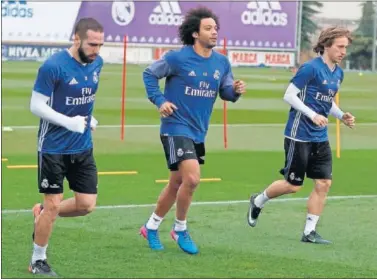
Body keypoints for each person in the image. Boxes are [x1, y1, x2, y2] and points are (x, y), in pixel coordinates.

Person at [140, 6, 246, 254]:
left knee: (176, 183)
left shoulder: (221, 62)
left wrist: (236, 91)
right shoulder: (177, 58)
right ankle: (180, 228)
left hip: (198, 131)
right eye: (208, 28)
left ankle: (151, 226)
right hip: (175, 127)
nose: (214, 32)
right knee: (192, 178)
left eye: (216, 28)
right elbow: (149, 74)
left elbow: (226, 92)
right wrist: (160, 101)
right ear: (195, 33)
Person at [246, 27, 355, 244]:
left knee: (323, 182)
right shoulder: (310, 68)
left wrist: (341, 115)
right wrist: (312, 114)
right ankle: (258, 201)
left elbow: (327, 101)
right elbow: (289, 95)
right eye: (340, 46)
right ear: (326, 45)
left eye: (346, 47)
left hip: (320, 137)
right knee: (293, 186)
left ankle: (309, 232)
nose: (344, 51)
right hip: (299, 134)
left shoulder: (338, 73)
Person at [28, 18, 104, 276]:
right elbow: (36, 106)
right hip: (53, 147)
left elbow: (85, 98)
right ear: (76, 39)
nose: (97, 50)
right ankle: (38, 260)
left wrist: (87, 118)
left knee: (86, 204)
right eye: (92, 44)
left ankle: (42, 214)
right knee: (53, 204)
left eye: (100, 45)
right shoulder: (53, 66)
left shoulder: (98, 64)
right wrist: (68, 122)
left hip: (82, 146)